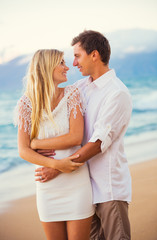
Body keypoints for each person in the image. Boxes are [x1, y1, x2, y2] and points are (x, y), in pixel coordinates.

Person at [34, 30, 132, 240]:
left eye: (78, 56)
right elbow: (50, 101)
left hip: (108, 189)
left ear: (94, 54)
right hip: (83, 188)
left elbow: (97, 143)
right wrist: (37, 142)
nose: (74, 63)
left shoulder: (117, 93)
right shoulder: (79, 88)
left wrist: (57, 168)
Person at [15, 49, 95, 240]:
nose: (67, 67)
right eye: (61, 63)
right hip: (47, 186)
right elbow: (23, 151)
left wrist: (36, 142)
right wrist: (57, 165)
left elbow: (76, 137)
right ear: (47, 67)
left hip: (77, 185)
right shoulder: (26, 104)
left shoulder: (72, 93)